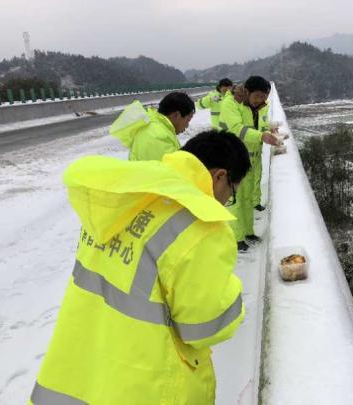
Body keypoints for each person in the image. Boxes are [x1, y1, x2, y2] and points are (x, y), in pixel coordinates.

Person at [30, 130, 251, 405]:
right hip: (146, 383)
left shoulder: (127, 198)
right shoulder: (200, 226)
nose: (225, 199)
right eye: (231, 190)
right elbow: (204, 327)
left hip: (77, 372)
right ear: (220, 176)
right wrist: (233, 292)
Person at [219, 76, 278, 252]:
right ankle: (235, 239)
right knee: (235, 200)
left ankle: (247, 232)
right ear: (247, 92)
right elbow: (237, 128)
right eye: (258, 96)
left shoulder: (257, 107)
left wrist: (268, 131)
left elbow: (259, 127)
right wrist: (262, 136)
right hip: (233, 158)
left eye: (264, 97)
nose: (261, 100)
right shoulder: (230, 104)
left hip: (251, 158)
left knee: (246, 199)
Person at [110, 91, 195, 161]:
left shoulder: (158, 128)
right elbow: (175, 171)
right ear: (176, 115)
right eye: (188, 120)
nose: (187, 125)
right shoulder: (157, 136)